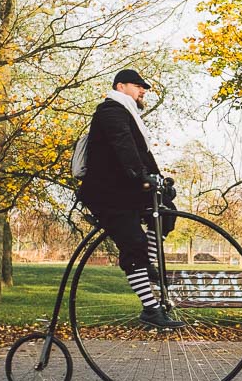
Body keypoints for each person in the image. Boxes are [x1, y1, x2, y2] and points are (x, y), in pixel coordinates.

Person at [78, 68, 183, 329]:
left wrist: (160, 181)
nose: (143, 90)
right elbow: (122, 145)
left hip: (125, 190)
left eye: (143, 87)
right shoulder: (110, 110)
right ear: (120, 86)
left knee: (166, 212)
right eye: (138, 86)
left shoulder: (128, 113)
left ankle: (146, 262)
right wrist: (142, 177)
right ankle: (150, 309)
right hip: (107, 194)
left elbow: (141, 154)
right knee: (133, 244)